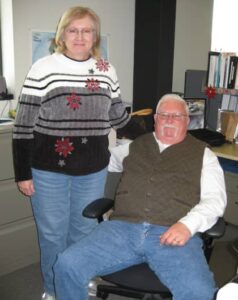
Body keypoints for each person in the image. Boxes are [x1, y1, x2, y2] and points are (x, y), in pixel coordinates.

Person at [12, 6, 143, 300]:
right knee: (52, 235)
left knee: (84, 232)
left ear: (94, 35)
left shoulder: (106, 69)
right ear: (63, 34)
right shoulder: (43, 68)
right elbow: (23, 126)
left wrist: (152, 133)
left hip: (93, 167)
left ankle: (77, 281)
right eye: (73, 30)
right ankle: (52, 288)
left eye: (87, 30)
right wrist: (23, 173)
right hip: (49, 169)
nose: (80, 36)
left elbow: (118, 117)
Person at [54, 94, 227, 300]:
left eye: (177, 116)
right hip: (121, 230)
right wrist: (69, 151)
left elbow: (215, 200)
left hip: (173, 233)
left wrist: (187, 225)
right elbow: (103, 159)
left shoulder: (204, 155)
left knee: (199, 292)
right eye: (164, 115)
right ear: (155, 120)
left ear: (187, 121)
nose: (170, 120)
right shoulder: (134, 146)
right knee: (66, 264)